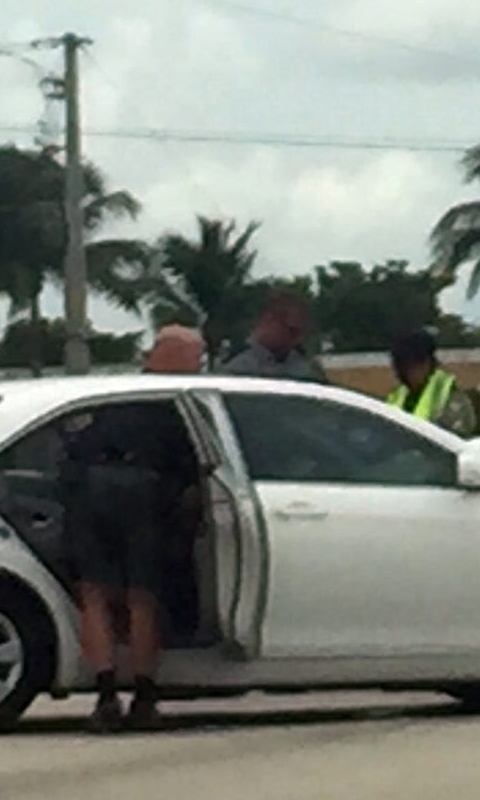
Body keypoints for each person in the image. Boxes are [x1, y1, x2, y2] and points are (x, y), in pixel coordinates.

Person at [56, 401, 198, 729]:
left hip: (90, 492)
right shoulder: (171, 406)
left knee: (93, 595)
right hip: (147, 493)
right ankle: (144, 699)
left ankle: (106, 697)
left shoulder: (108, 400)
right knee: (143, 597)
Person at [386, 328, 480, 435]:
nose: (401, 372)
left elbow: (458, 439)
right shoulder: (398, 395)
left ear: (426, 363)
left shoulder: (448, 394)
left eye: (407, 366)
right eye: (398, 365)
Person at [222, 291, 328, 382]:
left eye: (301, 333)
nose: (297, 339)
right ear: (269, 321)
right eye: (292, 331)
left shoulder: (307, 366)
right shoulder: (238, 367)